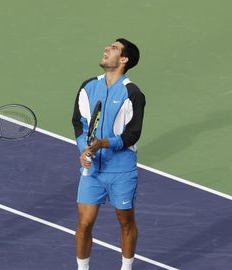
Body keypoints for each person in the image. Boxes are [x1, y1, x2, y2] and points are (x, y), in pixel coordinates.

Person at [71, 38, 145, 270]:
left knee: (125, 222)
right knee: (84, 223)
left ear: (124, 59)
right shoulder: (89, 86)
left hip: (121, 171)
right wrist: (84, 148)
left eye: (113, 48)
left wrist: (105, 143)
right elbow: (80, 123)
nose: (106, 49)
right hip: (92, 171)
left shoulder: (132, 93)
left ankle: (126, 267)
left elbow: (132, 135)